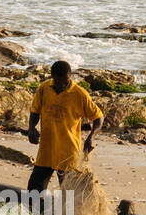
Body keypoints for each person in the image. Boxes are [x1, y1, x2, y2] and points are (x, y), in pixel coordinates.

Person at [26, 60, 103, 193]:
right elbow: (35, 111)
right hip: (47, 149)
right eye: (57, 82)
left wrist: (91, 137)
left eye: (65, 82)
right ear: (52, 77)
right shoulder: (44, 89)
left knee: (69, 194)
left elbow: (98, 117)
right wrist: (31, 128)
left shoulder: (79, 94)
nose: (61, 85)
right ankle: (37, 212)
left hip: (68, 152)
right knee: (34, 190)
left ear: (70, 76)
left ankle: (67, 213)